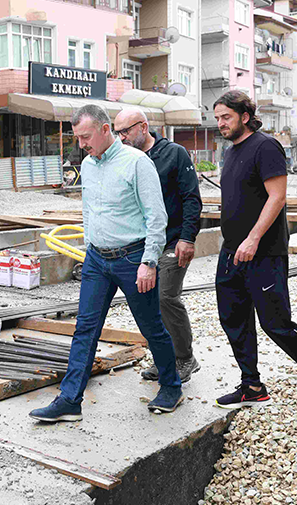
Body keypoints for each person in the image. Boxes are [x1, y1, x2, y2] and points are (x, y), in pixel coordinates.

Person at [28, 105, 183, 423]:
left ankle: (171, 386)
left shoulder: (137, 163)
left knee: (151, 326)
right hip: (98, 259)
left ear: (104, 130)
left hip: (133, 258)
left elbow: (157, 216)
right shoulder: (88, 164)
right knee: (85, 328)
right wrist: (89, 250)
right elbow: (89, 212)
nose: (81, 143)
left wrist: (149, 262)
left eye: (85, 136)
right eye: (78, 138)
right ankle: (70, 400)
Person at [212, 90, 297, 416]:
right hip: (232, 251)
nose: (220, 123)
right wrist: (237, 242)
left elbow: (277, 197)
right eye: (217, 118)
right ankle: (252, 386)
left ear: (245, 116)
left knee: (276, 324)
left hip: (263, 253)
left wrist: (253, 239)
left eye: (226, 117)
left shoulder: (266, 146)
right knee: (233, 318)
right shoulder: (231, 152)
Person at [113, 109, 203, 383]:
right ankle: (165, 358)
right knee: (147, 303)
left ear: (143, 127)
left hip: (172, 241)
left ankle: (186, 359)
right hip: (139, 245)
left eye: (125, 131)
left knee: (165, 297)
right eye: (118, 132)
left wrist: (187, 238)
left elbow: (191, 198)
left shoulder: (174, 154)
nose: (122, 137)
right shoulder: (125, 158)